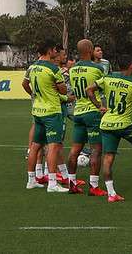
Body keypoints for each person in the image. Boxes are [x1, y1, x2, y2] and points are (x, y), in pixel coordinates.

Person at [87, 55, 132, 203]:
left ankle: (111, 194)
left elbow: (89, 89)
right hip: (124, 125)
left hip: (107, 124)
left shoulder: (108, 78)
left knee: (108, 158)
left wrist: (98, 105)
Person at [23, 40, 69, 193]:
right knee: (54, 146)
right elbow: (63, 91)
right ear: (49, 51)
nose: (56, 52)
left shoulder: (32, 67)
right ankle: (52, 183)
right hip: (51, 112)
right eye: (55, 50)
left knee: (35, 146)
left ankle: (31, 180)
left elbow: (24, 84)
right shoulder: (53, 69)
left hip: (37, 111)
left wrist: (34, 96)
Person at [66, 39, 106, 195]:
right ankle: (94, 186)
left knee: (75, 149)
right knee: (96, 149)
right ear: (90, 50)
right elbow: (103, 87)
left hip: (78, 112)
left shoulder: (73, 69)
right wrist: (100, 106)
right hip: (92, 112)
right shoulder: (98, 68)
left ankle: (72, 183)